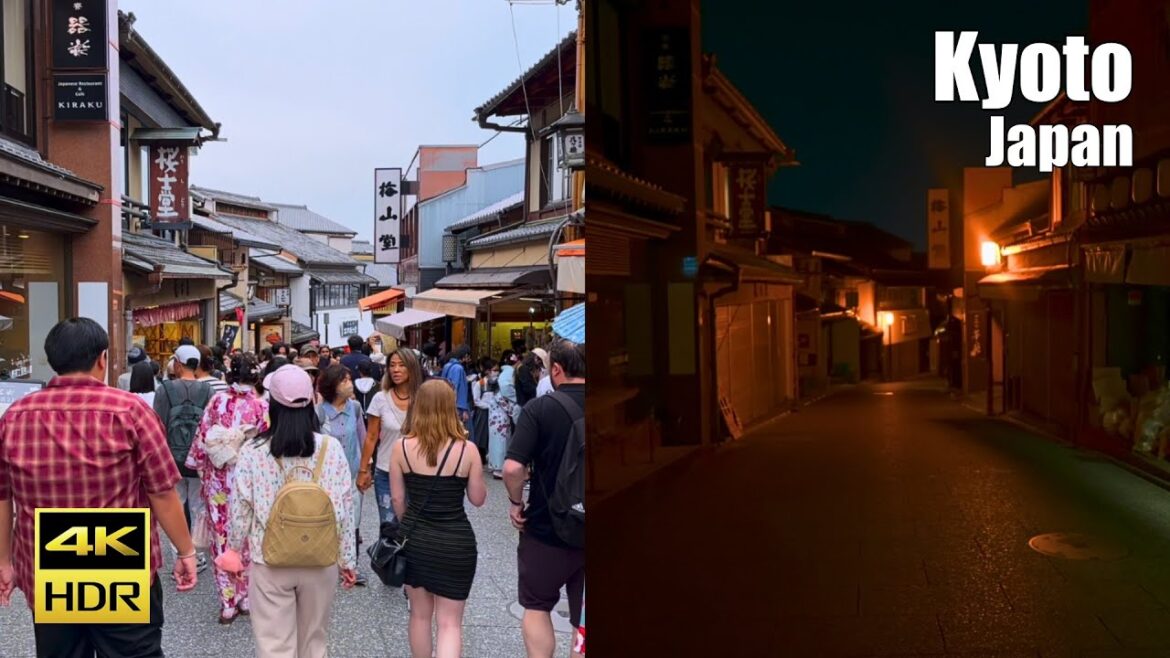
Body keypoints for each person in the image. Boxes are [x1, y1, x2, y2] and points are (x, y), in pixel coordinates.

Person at [0, 317, 199, 656]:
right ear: (102, 359)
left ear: (52, 360)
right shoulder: (130, 411)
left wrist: (4, 559)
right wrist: (186, 551)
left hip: (49, 552)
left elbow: (4, 497)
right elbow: (162, 491)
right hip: (119, 547)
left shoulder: (16, 417)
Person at [219, 364, 357, 657]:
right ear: (311, 403)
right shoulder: (330, 448)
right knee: (314, 643)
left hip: (269, 559)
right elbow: (344, 507)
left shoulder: (253, 452)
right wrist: (347, 560)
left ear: (272, 406)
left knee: (274, 647)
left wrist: (233, 550)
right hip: (321, 560)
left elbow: (240, 508)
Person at [389, 380, 486, 658]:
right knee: (449, 624)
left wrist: (407, 524)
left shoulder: (401, 448)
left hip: (416, 538)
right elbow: (478, 499)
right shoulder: (467, 450)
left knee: (419, 616)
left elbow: (397, 500)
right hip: (456, 541)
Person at [503, 340, 586, 658]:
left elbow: (512, 468)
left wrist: (515, 502)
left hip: (547, 526)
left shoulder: (540, 409)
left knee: (537, 606)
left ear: (556, 369)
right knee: (586, 619)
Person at [187, 353, 268, 624]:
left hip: (218, 478)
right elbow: (266, 447)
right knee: (246, 537)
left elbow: (202, 438)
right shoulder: (260, 407)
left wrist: (201, 464)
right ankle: (244, 596)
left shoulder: (216, 401)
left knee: (221, 538)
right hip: (248, 480)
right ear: (255, 377)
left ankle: (227, 602)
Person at [155, 344, 215, 574]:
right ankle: (198, 554)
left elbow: (158, 424)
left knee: (176, 505)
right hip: (198, 457)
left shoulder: (165, 389)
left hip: (172, 457)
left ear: (177, 364)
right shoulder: (209, 391)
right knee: (199, 506)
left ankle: (180, 553)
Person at [315, 364, 368, 587]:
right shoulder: (319, 412)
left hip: (353, 473)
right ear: (332, 386)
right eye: (344, 380)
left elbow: (363, 439)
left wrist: (366, 469)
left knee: (352, 519)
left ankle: (350, 565)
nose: (350, 384)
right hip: (326, 477)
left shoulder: (355, 407)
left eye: (349, 379)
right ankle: (325, 563)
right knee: (328, 520)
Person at [358, 347, 422, 525]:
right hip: (386, 470)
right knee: (389, 525)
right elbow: (371, 437)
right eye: (392, 365)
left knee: (414, 526)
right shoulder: (380, 398)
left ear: (412, 368)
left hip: (418, 472)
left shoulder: (423, 398)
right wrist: (364, 470)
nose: (396, 369)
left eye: (402, 365)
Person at [486, 360, 513, 479]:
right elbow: (506, 406)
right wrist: (512, 412)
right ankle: (499, 468)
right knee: (501, 444)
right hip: (501, 420)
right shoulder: (499, 394)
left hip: (493, 420)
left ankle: (493, 465)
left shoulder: (493, 393)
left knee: (494, 442)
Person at [470, 358, 496, 463]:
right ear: (487, 371)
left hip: (494, 413)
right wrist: (489, 406)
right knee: (481, 434)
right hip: (483, 412)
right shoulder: (479, 384)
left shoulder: (497, 384)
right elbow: (476, 401)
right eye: (494, 370)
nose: (496, 372)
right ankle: (480, 456)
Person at [441, 345, 473, 426]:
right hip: (458, 406)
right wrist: (463, 409)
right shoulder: (459, 368)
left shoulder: (447, 366)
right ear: (465, 355)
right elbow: (454, 388)